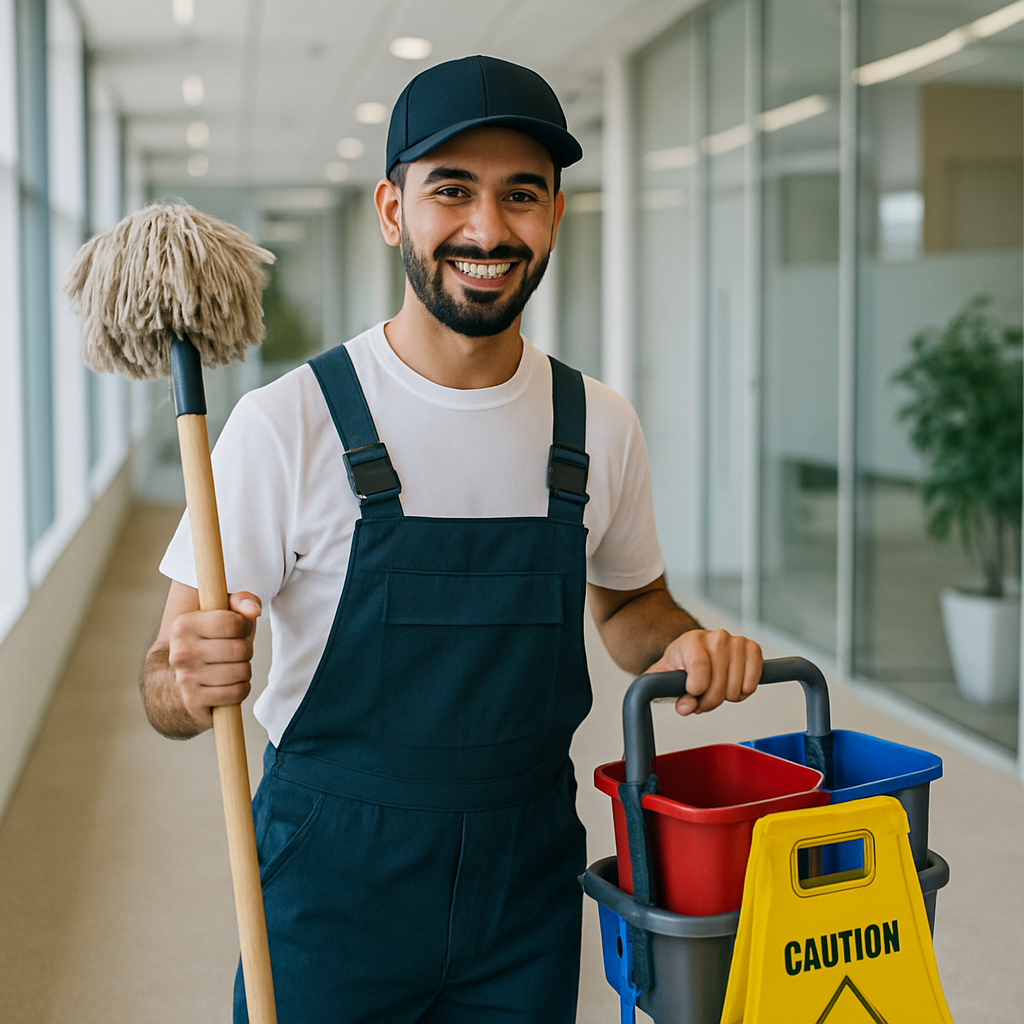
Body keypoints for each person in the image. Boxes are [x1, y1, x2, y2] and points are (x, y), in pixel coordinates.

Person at [143, 54, 763, 1024]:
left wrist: (682, 642)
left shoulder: (596, 422)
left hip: (525, 882)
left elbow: (632, 605)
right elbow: (164, 687)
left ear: (555, 215)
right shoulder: (287, 423)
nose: (487, 229)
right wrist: (186, 678)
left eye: (521, 194)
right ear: (394, 211)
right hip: (330, 884)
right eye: (451, 191)